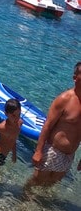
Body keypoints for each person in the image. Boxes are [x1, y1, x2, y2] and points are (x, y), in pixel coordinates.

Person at [25, 62, 81, 195]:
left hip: (69, 155)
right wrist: (38, 151)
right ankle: (22, 204)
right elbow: (47, 125)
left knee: (51, 185)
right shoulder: (64, 99)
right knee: (36, 181)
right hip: (52, 151)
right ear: (75, 77)